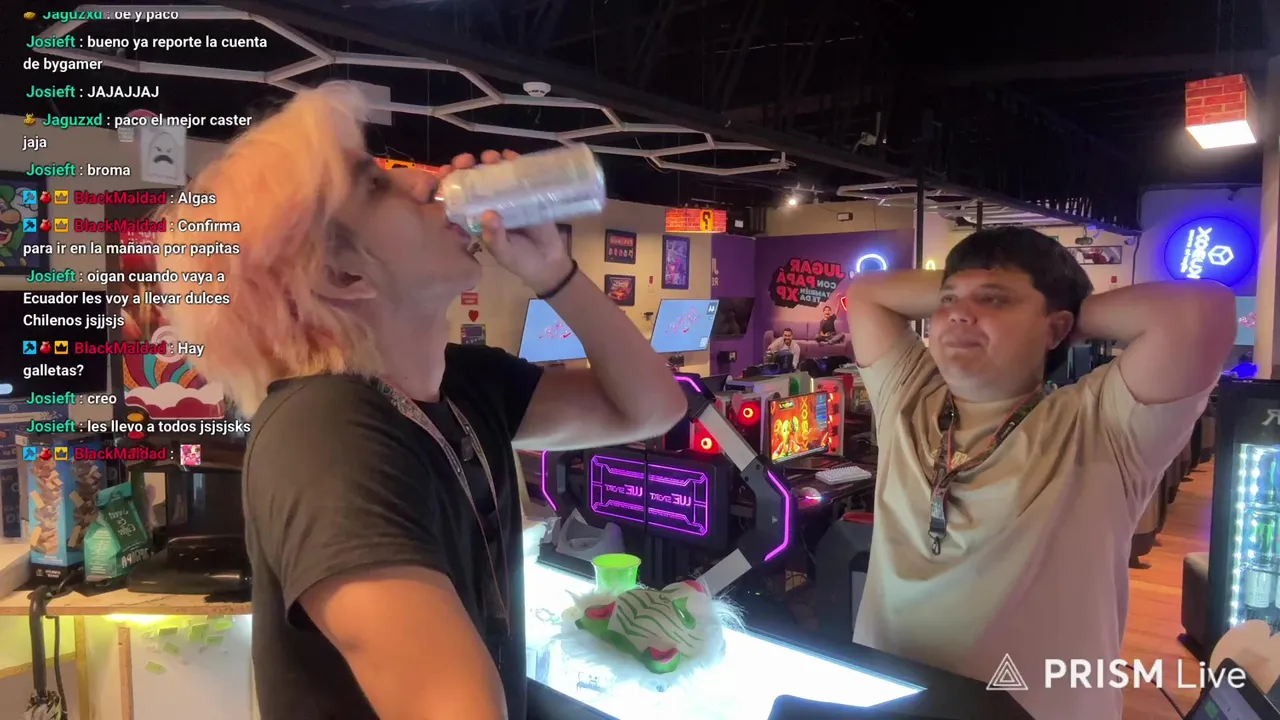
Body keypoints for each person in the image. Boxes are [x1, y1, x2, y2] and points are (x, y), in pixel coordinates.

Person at [154, 82, 687, 720]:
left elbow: (652, 409)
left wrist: (555, 273)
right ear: (341, 275)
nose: (428, 179)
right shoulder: (325, 433)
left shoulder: (464, 386)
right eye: (377, 185)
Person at [842, 227, 1233, 720]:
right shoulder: (908, 397)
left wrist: (1062, 309)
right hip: (888, 700)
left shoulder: (1100, 425)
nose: (958, 313)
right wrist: (986, 294)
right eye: (947, 300)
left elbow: (1202, 311)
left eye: (994, 299)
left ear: (1057, 328)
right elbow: (866, 294)